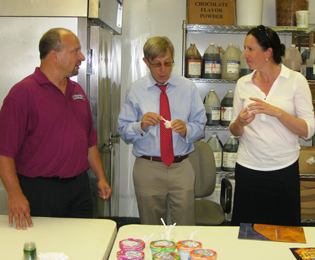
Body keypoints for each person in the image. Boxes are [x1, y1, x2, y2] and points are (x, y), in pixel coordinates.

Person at [0, 28, 112, 230]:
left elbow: (89, 143)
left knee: (81, 245)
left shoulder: (77, 91)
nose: (82, 57)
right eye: (75, 51)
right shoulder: (22, 94)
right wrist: (15, 195)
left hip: (79, 188)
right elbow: (4, 153)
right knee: (45, 249)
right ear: (54, 55)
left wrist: (101, 178)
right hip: (40, 191)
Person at [230, 25, 315, 226]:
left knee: (284, 235)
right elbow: (234, 131)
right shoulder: (243, 83)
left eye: (251, 49)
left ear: (268, 52)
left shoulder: (295, 80)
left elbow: (308, 131)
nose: (245, 54)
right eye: (245, 48)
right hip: (248, 169)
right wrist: (240, 122)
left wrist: (276, 112)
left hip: (283, 171)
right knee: (246, 234)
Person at [117, 36, 206, 225]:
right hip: (148, 168)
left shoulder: (187, 88)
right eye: (157, 64)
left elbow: (200, 126)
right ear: (146, 62)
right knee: (151, 228)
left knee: (184, 228)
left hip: (181, 167)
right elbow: (123, 131)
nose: (163, 70)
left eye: (167, 63)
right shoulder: (135, 90)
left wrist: (186, 130)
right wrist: (140, 126)